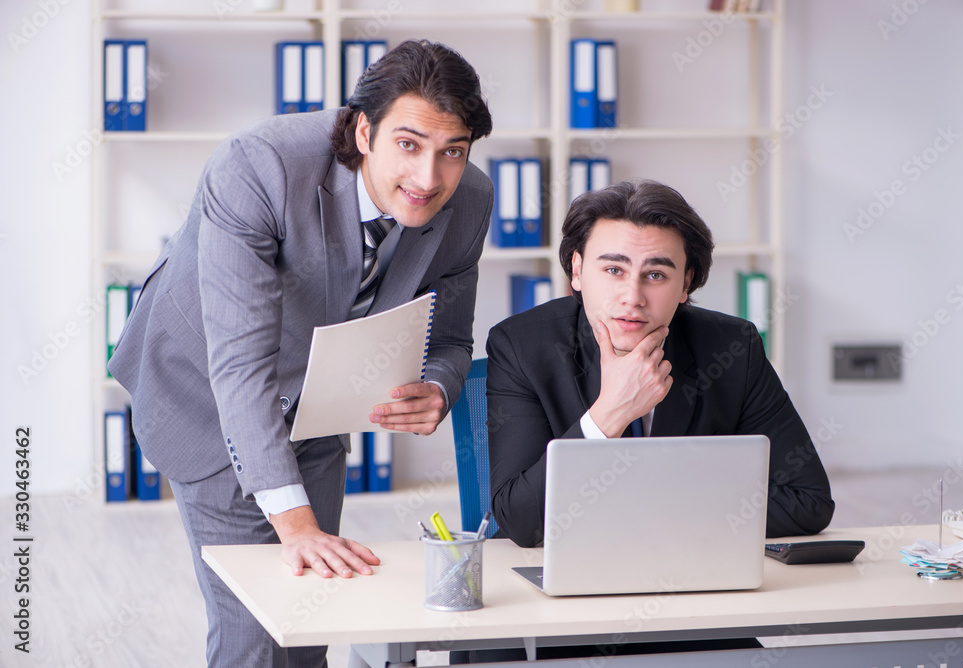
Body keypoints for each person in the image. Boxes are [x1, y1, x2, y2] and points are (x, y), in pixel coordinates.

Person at [108, 40, 493, 667]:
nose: (429, 178)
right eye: (409, 144)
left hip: (316, 404)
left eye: (452, 151)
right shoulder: (258, 166)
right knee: (256, 635)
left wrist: (440, 386)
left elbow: (449, 338)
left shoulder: (469, 200)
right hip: (206, 391)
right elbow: (240, 361)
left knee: (311, 621)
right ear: (364, 130)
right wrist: (295, 522)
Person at [487, 179, 835, 549]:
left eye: (655, 275)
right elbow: (521, 521)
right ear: (577, 271)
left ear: (685, 284)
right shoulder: (522, 347)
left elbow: (807, 501)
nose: (633, 297)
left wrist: (646, 504)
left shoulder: (733, 349)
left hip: (690, 572)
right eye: (613, 270)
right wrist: (608, 415)